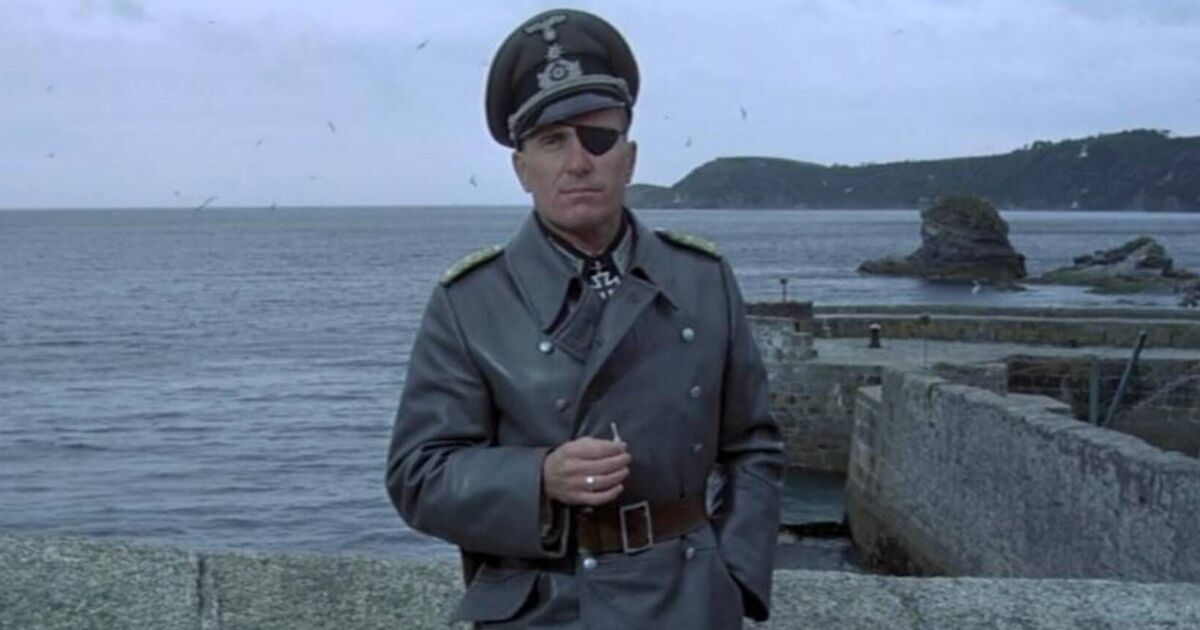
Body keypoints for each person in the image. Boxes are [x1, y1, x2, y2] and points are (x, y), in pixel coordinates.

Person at [385, 8, 784, 628]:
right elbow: (418, 476)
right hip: (545, 609)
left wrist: (733, 578)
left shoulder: (703, 279)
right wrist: (537, 477)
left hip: (690, 602)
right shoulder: (469, 301)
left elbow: (754, 446)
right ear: (522, 169)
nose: (579, 162)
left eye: (598, 139)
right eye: (552, 141)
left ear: (629, 157)